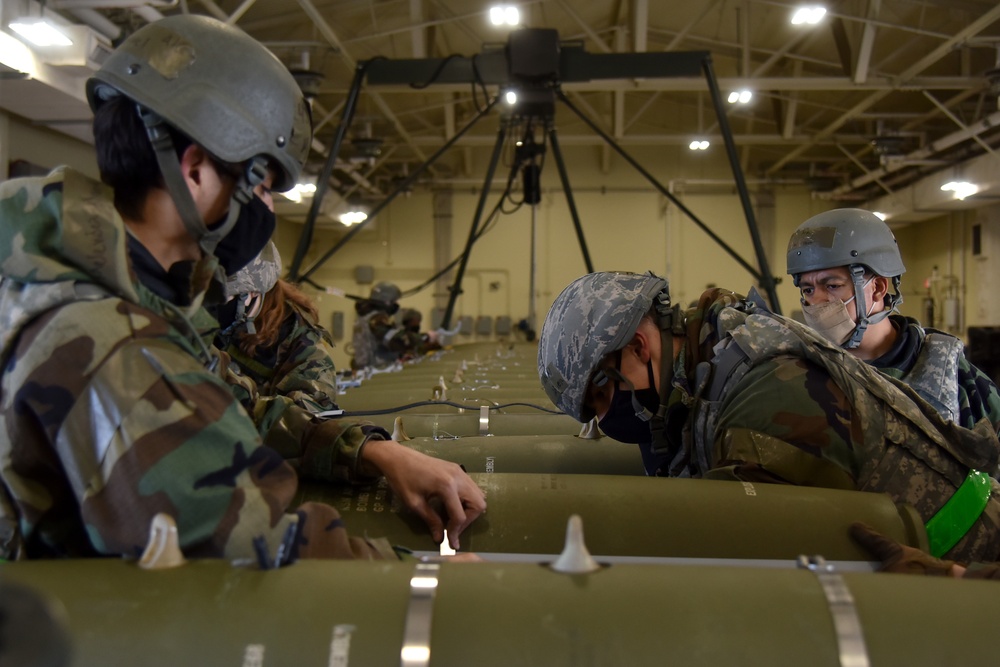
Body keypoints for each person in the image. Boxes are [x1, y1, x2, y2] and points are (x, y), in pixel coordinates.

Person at [0, 15, 484, 562]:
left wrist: (374, 452)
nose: (269, 209)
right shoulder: (117, 345)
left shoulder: (67, 276)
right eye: (262, 183)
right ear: (196, 169)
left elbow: (237, 402)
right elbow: (253, 552)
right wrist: (429, 581)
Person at [537, 271, 1000, 562]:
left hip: (965, 567)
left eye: (601, 396)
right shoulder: (710, 364)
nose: (604, 418)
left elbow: (746, 562)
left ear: (638, 347)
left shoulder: (761, 401)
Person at [787, 208, 1000, 431]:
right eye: (808, 290)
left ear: (877, 288)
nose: (817, 300)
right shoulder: (798, 371)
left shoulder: (953, 377)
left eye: (832, 286)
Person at [219, 243, 342, 413]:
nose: (210, 306)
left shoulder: (298, 340)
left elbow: (307, 421)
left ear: (254, 293)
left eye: (222, 297)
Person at [351, 281, 418, 370]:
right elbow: (394, 340)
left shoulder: (363, 317)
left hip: (365, 368)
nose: (396, 305)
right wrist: (418, 339)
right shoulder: (377, 319)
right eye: (394, 302)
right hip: (378, 369)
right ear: (387, 302)